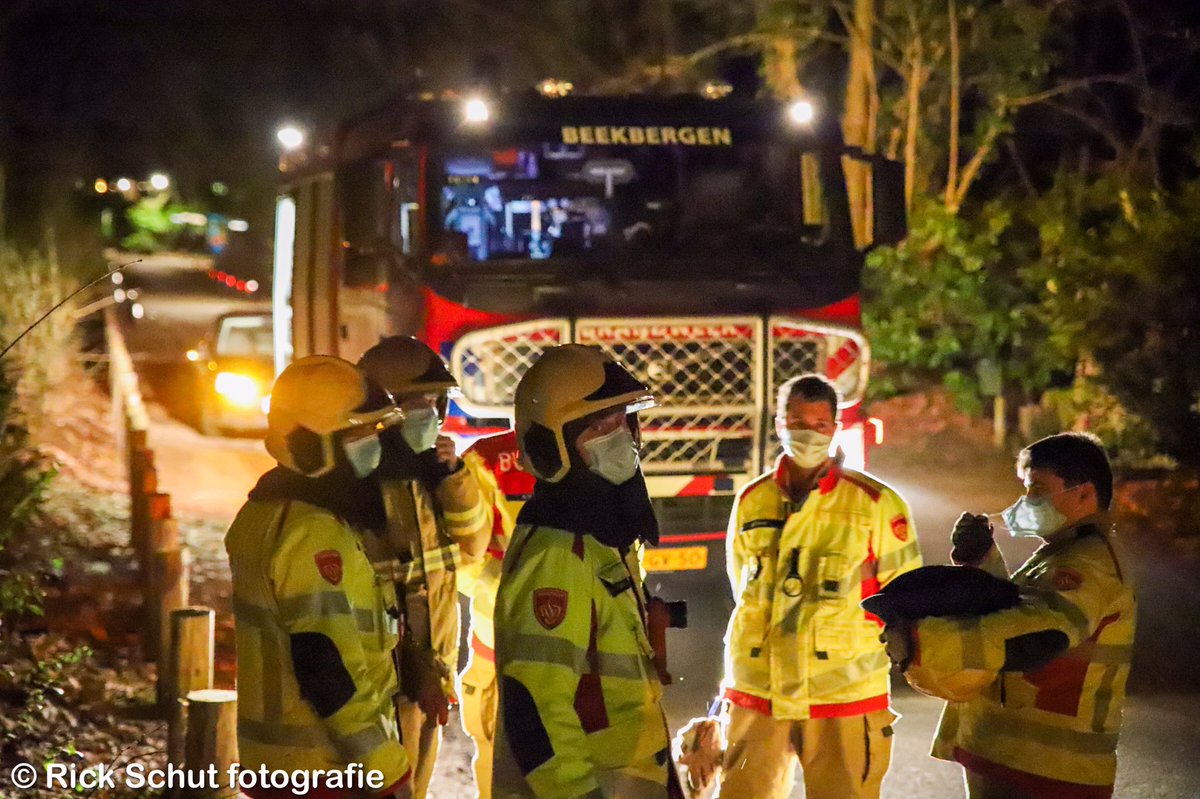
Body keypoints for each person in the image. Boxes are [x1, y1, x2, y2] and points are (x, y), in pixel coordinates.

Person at [892, 431, 1136, 799]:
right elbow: (1021, 612)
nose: (1027, 501)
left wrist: (919, 641)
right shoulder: (1062, 554)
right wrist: (982, 559)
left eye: (1037, 489)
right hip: (1016, 761)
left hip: (1047, 773)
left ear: (1084, 493)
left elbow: (1033, 637)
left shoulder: (1089, 563)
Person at [714, 373, 922, 799]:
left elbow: (906, 598)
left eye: (819, 424)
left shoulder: (876, 503)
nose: (807, 433)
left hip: (843, 696)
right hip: (757, 693)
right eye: (796, 422)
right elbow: (743, 589)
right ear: (778, 424)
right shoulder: (752, 500)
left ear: (836, 427)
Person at [492, 344, 683, 799]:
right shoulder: (558, 552)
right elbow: (535, 710)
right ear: (552, 445)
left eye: (622, 420)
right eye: (599, 425)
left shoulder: (599, 533)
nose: (621, 436)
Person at [224, 355, 411, 799]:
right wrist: (386, 770)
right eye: (359, 434)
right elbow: (325, 665)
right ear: (312, 446)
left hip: (281, 765)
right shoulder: (312, 532)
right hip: (324, 768)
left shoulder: (263, 513)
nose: (373, 445)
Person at [356, 336, 493, 799]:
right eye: (418, 402)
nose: (432, 412)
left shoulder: (440, 471)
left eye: (437, 400)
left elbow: (474, 544)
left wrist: (453, 478)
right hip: (385, 679)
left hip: (433, 671)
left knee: (416, 785)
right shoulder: (359, 478)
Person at [455, 429, 533, 799]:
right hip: (500, 641)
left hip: (504, 638)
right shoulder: (485, 460)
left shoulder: (484, 458)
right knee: (498, 757)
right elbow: (465, 554)